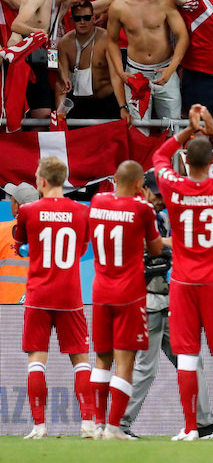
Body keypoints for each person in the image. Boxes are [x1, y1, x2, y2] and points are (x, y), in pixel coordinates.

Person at [152, 105, 213, 441]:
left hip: (182, 281)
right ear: (212, 162)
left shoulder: (174, 187)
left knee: (187, 354)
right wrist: (212, 131)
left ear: (186, 160)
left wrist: (186, 131)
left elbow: (158, 158)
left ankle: (191, 428)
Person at [120, 171, 213, 440]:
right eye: (155, 192)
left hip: (167, 298)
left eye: (161, 193)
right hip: (145, 299)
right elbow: (148, 248)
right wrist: (171, 245)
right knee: (146, 366)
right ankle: (118, 423)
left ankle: (204, 422)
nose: (159, 197)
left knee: (189, 359)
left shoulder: (166, 215)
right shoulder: (135, 212)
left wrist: (169, 246)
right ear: (142, 189)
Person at [16, 157, 94, 439]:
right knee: (82, 361)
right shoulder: (81, 212)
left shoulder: (28, 211)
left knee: (37, 361)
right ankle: (87, 424)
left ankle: (39, 427)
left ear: (44, 181)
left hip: (38, 295)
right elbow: (83, 248)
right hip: (70, 296)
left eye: (37, 178)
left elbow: (21, 243)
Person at [87, 161, 165, 440]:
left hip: (100, 291)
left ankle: (96, 424)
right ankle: (113, 427)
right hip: (129, 294)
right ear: (137, 186)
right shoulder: (142, 209)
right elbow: (155, 249)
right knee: (125, 363)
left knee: (101, 359)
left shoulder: (96, 201)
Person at [107, 0, 189, 123]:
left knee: (172, 128)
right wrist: (121, 73)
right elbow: (112, 41)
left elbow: (183, 36)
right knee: (138, 130)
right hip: (135, 73)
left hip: (165, 70)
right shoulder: (118, 6)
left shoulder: (164, 1)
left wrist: (172, 68)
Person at [55, 0, 119, 120]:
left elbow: (117, 76)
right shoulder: (64, 43)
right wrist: (59, 116)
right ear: (71, 20)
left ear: (94, 18)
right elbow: (61, 82)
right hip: (79, 102)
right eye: (78, 18)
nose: (82, 22)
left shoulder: (107, 39)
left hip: (107, 101)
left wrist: (123, 107)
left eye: (87, 17)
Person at [0, 183, 36, 304]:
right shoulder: (47, 234)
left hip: (4, 308)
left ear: (17, 205)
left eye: (12, 200)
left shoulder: (1, 231)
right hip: (34, 308)